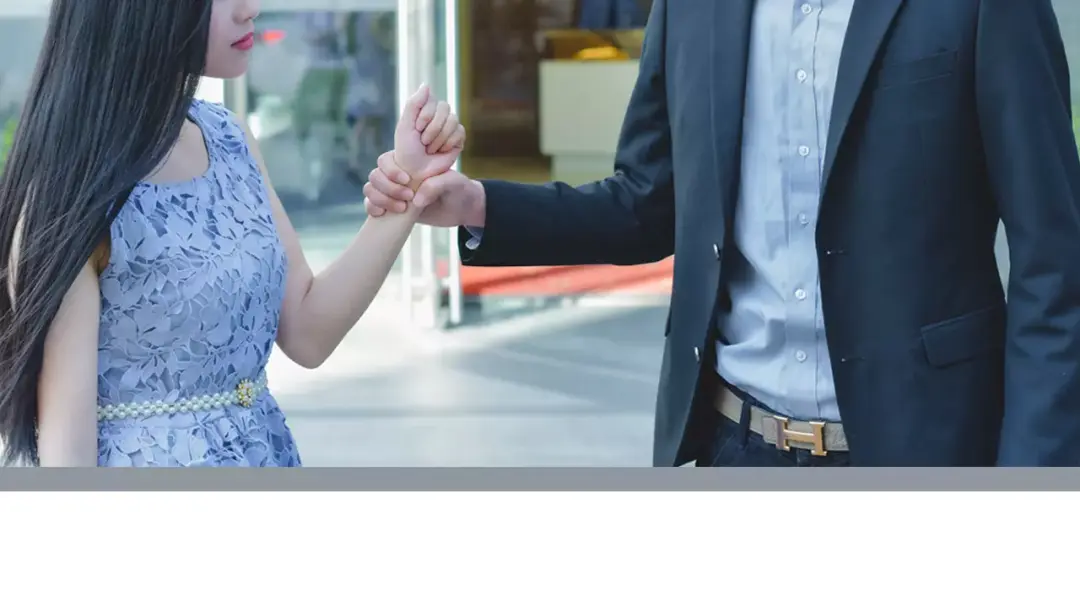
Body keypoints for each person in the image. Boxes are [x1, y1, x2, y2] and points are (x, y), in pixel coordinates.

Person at [363, 0, 1080, 467]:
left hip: (925, 449)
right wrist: (477, 203)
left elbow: (1055, 261)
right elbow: (646, 202)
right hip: (735, 445)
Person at [0, 0, 465, 468]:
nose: (250, 9)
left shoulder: (227, 137)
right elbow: (67, 454)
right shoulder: (71, 192)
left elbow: (309, 331)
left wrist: (410, 184)